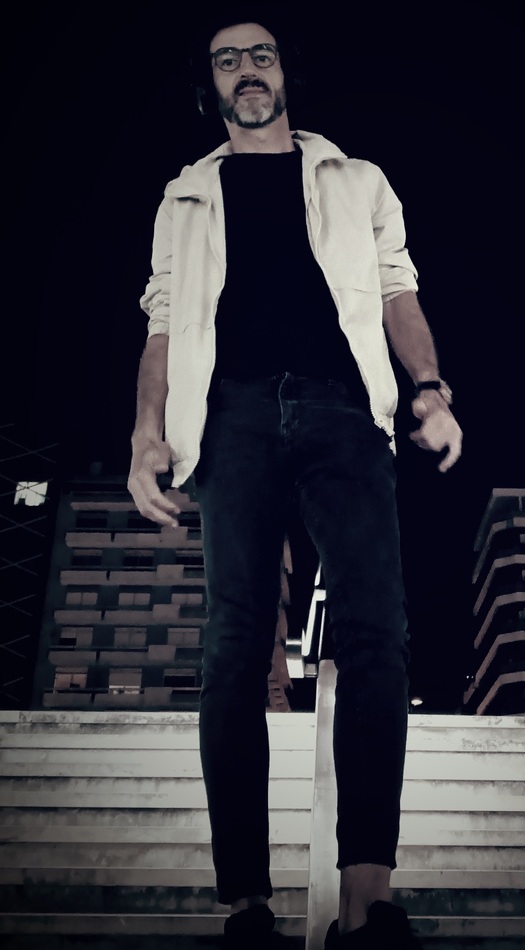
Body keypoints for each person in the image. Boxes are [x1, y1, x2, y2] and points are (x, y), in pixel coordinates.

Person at [127, 13, 462, 950]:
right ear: (210, 85)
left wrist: (428, 389)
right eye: (226, 60)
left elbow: (396, 289)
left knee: (376, 632)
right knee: (234, 644)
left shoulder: (356, 179)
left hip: (343, 412)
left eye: (260, 55)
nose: (246, 70)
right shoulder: (186, 195)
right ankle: (247, 911)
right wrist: (147, 433)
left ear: (284, 74)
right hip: (228, 418)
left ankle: (366, 904)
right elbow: (162, 322)